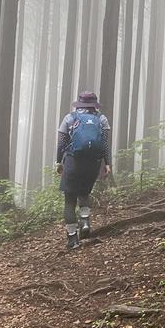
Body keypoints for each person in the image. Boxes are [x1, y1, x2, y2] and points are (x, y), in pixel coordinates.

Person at [56, 91, 112, 249]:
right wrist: (107, 163)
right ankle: (85, 220)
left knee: (69, 200)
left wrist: (58, 162)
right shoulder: (101, 119)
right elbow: (104, 144)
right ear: (95, 104)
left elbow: (61, 143)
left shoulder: (70, 117)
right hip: (93, 163)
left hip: (73, 162)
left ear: (79, 103)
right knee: (84, 194)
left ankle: (73, 239)